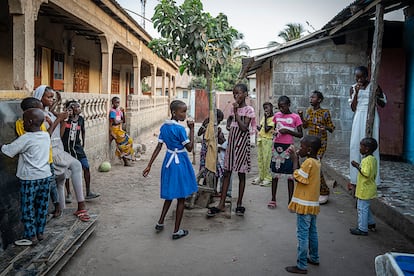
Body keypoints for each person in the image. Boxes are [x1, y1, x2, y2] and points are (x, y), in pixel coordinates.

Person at [142, 100, 198, 240]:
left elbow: (159, 147)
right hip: (180, 162)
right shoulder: (180, 129)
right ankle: (176, 231)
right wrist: (191, 129)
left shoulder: (164, 127)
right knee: (181, 197)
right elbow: (190, 148)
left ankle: (160, 222)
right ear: (174, 112)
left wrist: (149, 165)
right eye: (182, 111)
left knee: (169, 195)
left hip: (168, 161)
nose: (185, 114)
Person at [34, 85, 90, 222]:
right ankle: (81, 205)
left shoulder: (49, 113)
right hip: (50, 151)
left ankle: (62, 212)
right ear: (39, 97)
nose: (52, 100)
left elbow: (59, 134)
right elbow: (44, 138)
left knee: (60, 181)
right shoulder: (36, 115)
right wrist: (58, 120)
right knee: (76, 165)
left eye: (53, 97)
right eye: (49, 97)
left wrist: (62, 120)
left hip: (57, 148)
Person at [1, 108, 52, 244]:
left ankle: (31, 235)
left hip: (30, 178)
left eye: (23, 121)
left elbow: (8, 151)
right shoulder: (45, 135)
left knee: (28, 208)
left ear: (29, 122)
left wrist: (2, 146)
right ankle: (40, 233)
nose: (22, 123)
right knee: (42, 206)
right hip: (45, 176)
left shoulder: (25, 138)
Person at [207, 83, 256, 217]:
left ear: (245, 94)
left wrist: (235, 113)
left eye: (238, 93)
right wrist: (229, 124)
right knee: (227, 172)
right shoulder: (233, 110)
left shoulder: (249, 110)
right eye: (234, 93)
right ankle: (221, 204)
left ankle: (239, 203)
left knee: (241, 174)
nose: (236, 96)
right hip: (232, 143)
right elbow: (230, 123)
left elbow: (244, 128)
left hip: (242, 144)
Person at [15, 97, 61, 218]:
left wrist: (49, 123)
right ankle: (50, 210)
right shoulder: (23, 124)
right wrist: (57, 121)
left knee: (52, 184)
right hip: (37, 164)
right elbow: (44, 136)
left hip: (46, 159)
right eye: (40, 111)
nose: (43, 113)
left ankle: (57, 206)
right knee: (42, 189)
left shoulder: (36, 122)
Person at [285, 135, 322, 274]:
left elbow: (299, 177)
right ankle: (314, 257)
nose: (300, 149)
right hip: (312, 204)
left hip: (304, 204)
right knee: (312, 232)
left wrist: (295, 159)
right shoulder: (316, 161)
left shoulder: (308, 163)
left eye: (302, 147)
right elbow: (305, 175)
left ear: (309, 149)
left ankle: (301, 265)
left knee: (302, 234)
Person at [348, 66, 386, 191]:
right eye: (357, 77)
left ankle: (373, 177)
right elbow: (353, 108)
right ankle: (355, 178)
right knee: (355, 145)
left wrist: (377, 95)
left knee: (372, 144)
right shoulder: (353, 88)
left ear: (366, 76)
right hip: (359, 116)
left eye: (361, 77)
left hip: (372, 117)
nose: (359, 80)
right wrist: (357, 93)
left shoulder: (374, 86)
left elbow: (383, 104)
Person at [299, 91, 335, 204]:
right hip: (310, 143)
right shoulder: (309, 111)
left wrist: (325, 128)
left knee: (316, 165)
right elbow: (305, 126)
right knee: (311, 166)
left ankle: (324, 191)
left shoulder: (325, 112)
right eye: (310, 97)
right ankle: (314, 190)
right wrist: (301, 116)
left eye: (313, 97)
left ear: (319, 100)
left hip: (320, 143)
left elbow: (332, 127)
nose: (311, 99)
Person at [268, 95, 303, 209]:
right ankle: (273, 199)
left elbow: (300, 134)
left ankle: (290, 200)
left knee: (289, 175)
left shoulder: (295, 117)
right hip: (277, 146)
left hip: (288, 147)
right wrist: (274, 132)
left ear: (288, 105)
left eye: (283, 106)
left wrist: (287, 131)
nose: (281, 109)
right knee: (275, 173)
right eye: (279, 107)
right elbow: (274, 128)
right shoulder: (277, 116)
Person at [62, 100, 100, 200]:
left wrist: (83, 143)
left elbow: (83, 130)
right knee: (66, 171)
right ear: (71, 109)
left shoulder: (81, 119)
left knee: (86, 167)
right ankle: (69, 193)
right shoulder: (65, 119)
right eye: (77, 107)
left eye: (79, 106)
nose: (80, 109)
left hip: (78, 148)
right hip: (66, 148)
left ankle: (88, 192)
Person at [350, 137, 378, 236]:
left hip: (364, 189)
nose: (359, 148)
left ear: (367, 149)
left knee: (362, 209)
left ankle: (362, 228)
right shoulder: (373, 159)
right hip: (368, 188)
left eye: (361, 146)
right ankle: (371, 223)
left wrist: (356, 165)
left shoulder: (367, 160)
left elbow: (365, 173)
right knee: (365, 207)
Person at [197, 109, 225, 191]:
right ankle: (207, 190)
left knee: (214, 171)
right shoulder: (207, 125)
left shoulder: (217, 128)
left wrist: (219, 134)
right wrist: (204, 125)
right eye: (219, 121)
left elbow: (221, 141)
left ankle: (213, 190)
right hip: (206, 151)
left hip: (213, 152)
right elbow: (199, 133)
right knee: (207, 171)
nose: (219, 123)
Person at [252, 102, 274, 187]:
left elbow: (266, 130)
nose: (266, 109)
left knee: (267, 160)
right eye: (264, 108)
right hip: (261, 140)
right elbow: (261, 128)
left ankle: (268, 178)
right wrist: (254, 126)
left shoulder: (272, 118)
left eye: (267, 108)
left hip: (268, 140)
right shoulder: (264, 117)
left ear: (271, 108)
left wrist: (265, 118)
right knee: (260, 159)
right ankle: (261, 176)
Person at [109, 96, 134, 166]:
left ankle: (126, 161)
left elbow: (124, 121)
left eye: (118, 102)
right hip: (115, 130)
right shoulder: (112, 111)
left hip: (119, 129)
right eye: (116, 102)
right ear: (113, 103)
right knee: (125, 143)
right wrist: (120, 121)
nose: (117, 104)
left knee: (125, 144)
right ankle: (126, 161)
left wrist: (123, 112)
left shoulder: (119, 111)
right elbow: (114, 122)